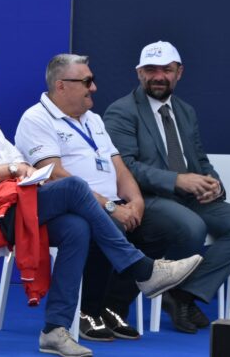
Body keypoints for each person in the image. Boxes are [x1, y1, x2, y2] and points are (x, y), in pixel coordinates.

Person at [0, 33, 202, 356]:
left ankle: (55, 329)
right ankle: (143, 270)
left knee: (76, 228)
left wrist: (18, 168)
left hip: (11, 201)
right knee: (74, 186)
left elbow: (17, 158)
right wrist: (13, 169)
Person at [103, 41, 230, 334]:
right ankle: (173, 292)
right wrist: (176, 180)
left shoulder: (185, 111)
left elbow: (199, 159)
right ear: (139, 73)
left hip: (190, 197)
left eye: (167, 70)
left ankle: (182, 293)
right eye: (151, 70)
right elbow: (125, 166)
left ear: (179, 73)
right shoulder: (121, 111)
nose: (159, 76)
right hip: (148, 197)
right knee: (191, 227)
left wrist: (213, 184)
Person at [15, 53, 171, 341]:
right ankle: (87, 311)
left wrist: (136, 201)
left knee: (162, 229)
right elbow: (55, 175)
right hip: (73, 209)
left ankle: (111, 307)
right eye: (87, 81)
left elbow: (119, 167)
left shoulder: (94, 120)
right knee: (104, 224)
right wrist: (111, 208)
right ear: (61, 85)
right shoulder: (36, 119)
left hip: (114, 204)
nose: (94, 87)